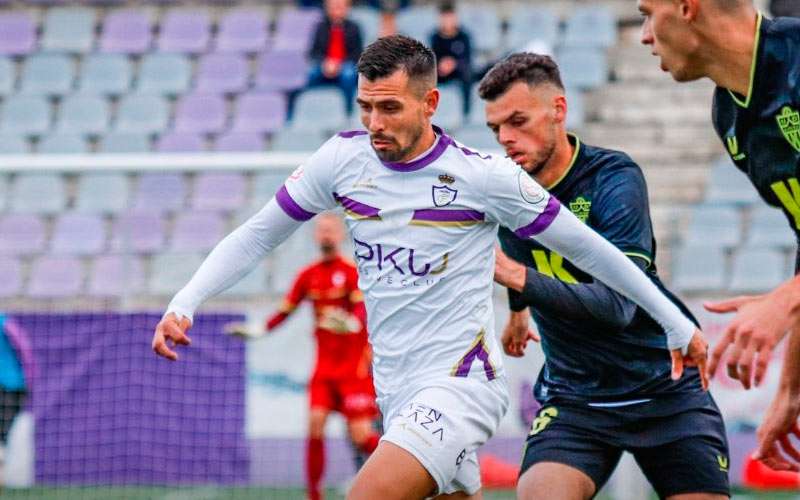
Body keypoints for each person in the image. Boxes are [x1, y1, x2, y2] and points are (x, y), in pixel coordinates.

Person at [152, 35, 708, 500]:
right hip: (396, 387)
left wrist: (676, 323)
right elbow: (257, 233)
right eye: (366, 107)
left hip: (461, 385)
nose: (375, 123)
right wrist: (185, 300)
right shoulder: (341, 162)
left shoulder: (484, 177)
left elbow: (594, 252)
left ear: (430, 103)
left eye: (390, 107)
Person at [479, 52, 729, 500]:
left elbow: (617, 307)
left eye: (518, 121)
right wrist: (518, 314)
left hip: (665, 390)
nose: (507, 139)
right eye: (496, 129)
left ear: (558, 109)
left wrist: (516, 279)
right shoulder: (508, 191)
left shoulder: (613, 179)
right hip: (576, 400)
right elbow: (521, 252)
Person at [638, 0, 800, 471]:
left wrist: (784, 302)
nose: (645, 35)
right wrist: (790, 390)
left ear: (688, 7)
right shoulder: (730, 116)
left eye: (648, 13)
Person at [227, 212, 378, 500]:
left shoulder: (351, 273)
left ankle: (412, 466)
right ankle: (314, 494)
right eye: (321, 230)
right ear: (314, 235)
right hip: (323, 371)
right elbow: (285, 311)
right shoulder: (308, 276)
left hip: (353, 371)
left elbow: (360, 311)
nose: (326, 235)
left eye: (331, 230)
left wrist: (353, 323)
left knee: (361, 437)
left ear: (342, 235)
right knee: (315, 425)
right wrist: (257, 331)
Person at [308, 0, 363, 115]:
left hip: (345, 63)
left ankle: (347, 109)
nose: (336, 11)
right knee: (311, 74)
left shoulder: (354, 28)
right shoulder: (320, 27)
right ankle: (314, 107)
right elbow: (314, 52)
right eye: (332, 7)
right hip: (325, 64)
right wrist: (325, 63)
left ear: (346, 9)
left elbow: (357, 53)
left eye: (339, 7)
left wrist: (339, 64)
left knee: (348, 75)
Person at [0, 315, 32, 486]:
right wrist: (31, 373)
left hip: (11, 384)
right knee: (4, 431)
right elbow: (24, 346)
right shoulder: (4, 321)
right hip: (11, 385)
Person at [430, 1, 473, 116]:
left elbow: (467, 59)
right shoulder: (434, 37)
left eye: (450, 17)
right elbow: (432, 57)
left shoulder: (464, 36)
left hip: (458, 72)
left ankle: (466, 113)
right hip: (440, 73)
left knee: (467, 75)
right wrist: (441, 65)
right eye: (445, 18)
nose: (448, 21)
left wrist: (454, 64)